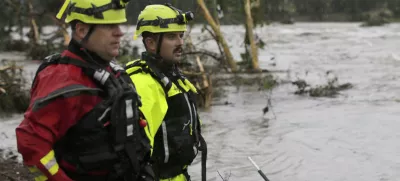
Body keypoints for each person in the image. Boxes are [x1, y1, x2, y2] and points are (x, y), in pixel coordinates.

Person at [15, 0, 154, 180]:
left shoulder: (112, 72)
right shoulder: (62, 79)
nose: (120, 32)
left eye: (119, 24)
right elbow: (31, 143)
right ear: (81, 30)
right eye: (110, 26)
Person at [125, 4, 207, 181]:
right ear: (151, 43)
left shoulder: (170, 78)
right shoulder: (144, 85)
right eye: (172, 37)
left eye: (181, 36)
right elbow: (136, 155)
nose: (180, 43)